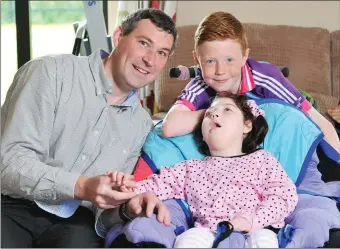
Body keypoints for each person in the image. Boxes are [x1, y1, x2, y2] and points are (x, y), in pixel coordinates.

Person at [1, 8, 177, 248]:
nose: (150, 60)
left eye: (162, 53)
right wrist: (82, 186)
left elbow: (101, 216)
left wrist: (127, 209)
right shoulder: (49, 73)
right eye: (144, 43)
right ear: (118, 37)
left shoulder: (142, 126)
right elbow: (9, 163)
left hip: (75, 222)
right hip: (11, 204)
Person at [109, 92, 298, 248]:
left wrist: (252, 220)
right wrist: (127, 187)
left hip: (254, 229)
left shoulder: (262, 159)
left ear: (247, 125)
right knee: (187, 241)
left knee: (264, 242)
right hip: (207, 232)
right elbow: (157, 184)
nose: (214, 115)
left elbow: (284, 196)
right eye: (209, 114)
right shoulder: (191, 168)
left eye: (227, 110)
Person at [160, 11, 340, 153]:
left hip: (287, 107)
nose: (220, 71)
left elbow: (316, 120)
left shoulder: (266, 78)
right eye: (210, 61)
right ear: (197, 60)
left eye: (229, 60)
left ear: (245, 56)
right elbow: (169, 127)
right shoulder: (201, 83)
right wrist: (215, 113)